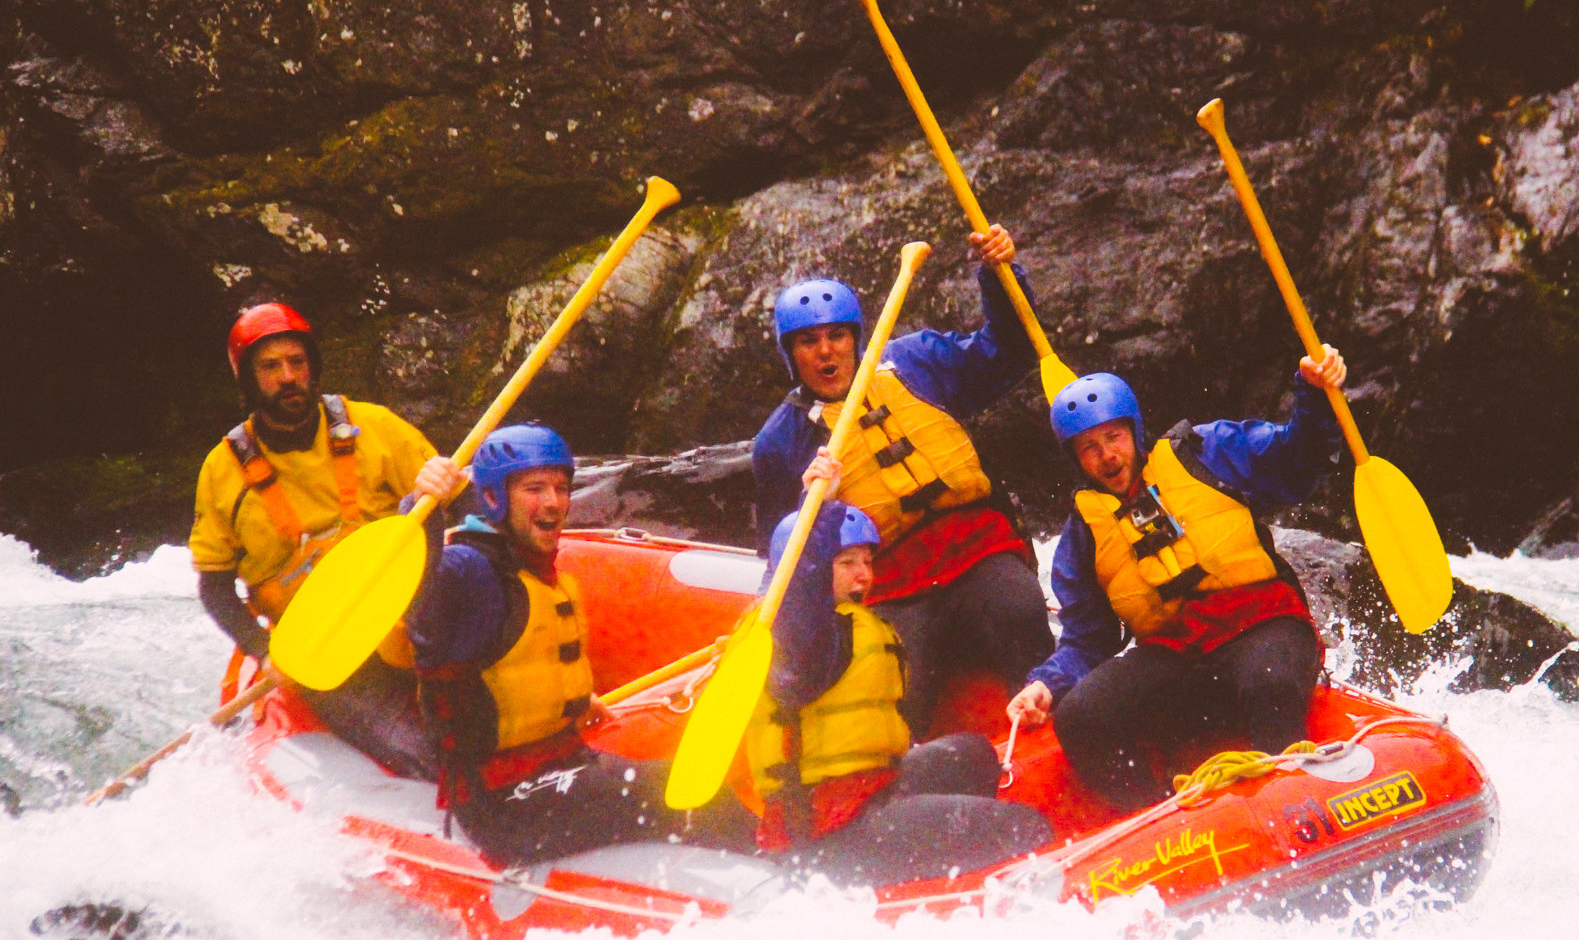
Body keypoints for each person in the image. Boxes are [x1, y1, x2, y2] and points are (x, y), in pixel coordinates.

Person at [1006, 348, 1349, 812]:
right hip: (1180, 650)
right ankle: (1158, 821)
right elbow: (1087, 640)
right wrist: (1045, 683)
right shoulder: (1083, 534)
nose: (1107, 456)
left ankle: (1292, 809)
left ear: (1134, 431)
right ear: (1075, 459)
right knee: (1083, 716)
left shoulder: (1205, 452)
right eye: (1090, 447)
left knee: (1266, 681)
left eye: (1114, 436)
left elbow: (1295, 460)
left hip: (1263, 622)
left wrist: (1314, 391)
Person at [750, 226, 1054, 738]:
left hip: (977, 553)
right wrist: (810, 503)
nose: (826, 352)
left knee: (1019, 608)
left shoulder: (917, 362)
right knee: (895, 685)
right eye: (808, 342)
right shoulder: (780, 442)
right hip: (891, 584)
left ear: (856, 337)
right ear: (791, 353)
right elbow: (782, 565)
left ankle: (1046, 738)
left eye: (837, 336)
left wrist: (1000, 276)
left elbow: (1011, 352)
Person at [190, 302, 458, 779]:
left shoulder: (373, 425)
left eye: (297, 362)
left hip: (408, 618)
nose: (288, 377)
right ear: (248, 380)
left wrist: (438, 481)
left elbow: (461, 501)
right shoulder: (221, 470)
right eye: (270, 367)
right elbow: (214, 587)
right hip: (326, 649)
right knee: (427, 758)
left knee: (418, 504)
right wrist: (263, 650)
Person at [407, 424, 681, 864]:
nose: (553, 502)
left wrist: (568, 702)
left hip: (557, 763)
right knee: (682, 789)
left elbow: (516, 663)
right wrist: (420, 512)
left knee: (685, 775)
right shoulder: (467, 570)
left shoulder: (534, 569)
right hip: (503, 803)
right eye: (534, 489)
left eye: (561, 487)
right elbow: (419, 595)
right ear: (493, 497)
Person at [745, 502, 1053, 885]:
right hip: (827, 832)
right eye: (845, 563)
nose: (863, 575)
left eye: (866, 561)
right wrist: (817, 508)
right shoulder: (798, 641)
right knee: (1027, 829)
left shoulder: (844, 624)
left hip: (865, 796)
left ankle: (939, 873)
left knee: (973, 755)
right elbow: (801, 593)